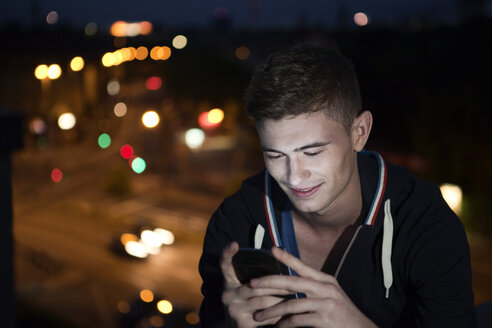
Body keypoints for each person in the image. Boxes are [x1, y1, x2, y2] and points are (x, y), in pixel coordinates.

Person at [198, 43, 477, 327]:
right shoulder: (235, 222)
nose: (294, 177)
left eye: (313, 152)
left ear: (359, 133)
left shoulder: (425, 223)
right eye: (275, 155)